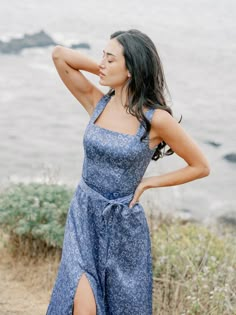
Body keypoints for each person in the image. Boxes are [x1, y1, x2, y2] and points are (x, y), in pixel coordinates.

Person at [46, 29, 210, 315]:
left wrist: (148, 183)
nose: (102, 64)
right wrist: (104, 67)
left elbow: (200, 166)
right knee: (82, 303)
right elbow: (60, 55)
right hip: (84, 214)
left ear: (132, 68)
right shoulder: (98, 102)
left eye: (110, 59)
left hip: (123, 225)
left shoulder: (156, 120)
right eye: (102, 57)